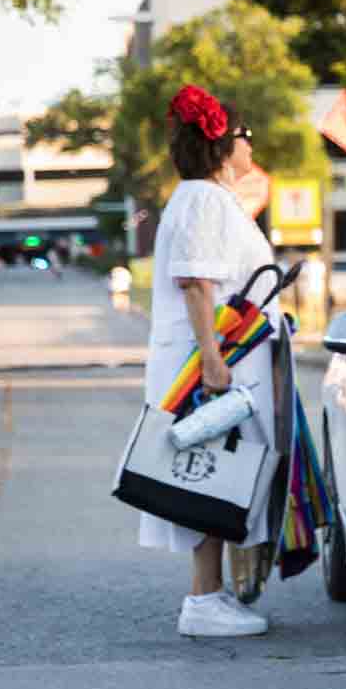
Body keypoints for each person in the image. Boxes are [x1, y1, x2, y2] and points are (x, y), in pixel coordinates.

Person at [133, 85, 278, 639]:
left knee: (215, 472)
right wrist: (213, 364)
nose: (251, 149)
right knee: (209, 473)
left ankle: (211, 594)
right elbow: (197, 282)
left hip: (215, 359)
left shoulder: (207, 198)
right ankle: (202, 601)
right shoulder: (202, 199)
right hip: (211, 365)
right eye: (246, 138)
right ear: (222, 142)